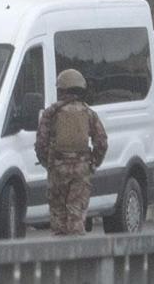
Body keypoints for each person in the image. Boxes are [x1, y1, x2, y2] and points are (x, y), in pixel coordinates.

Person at [35, 69, 108, 236]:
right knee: (76, 217)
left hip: (57, 169)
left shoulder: (51, 113)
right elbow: (101, 142)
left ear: (61, 90)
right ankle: (77, 257)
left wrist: (49, 163)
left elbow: (41, 143)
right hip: (81, 171)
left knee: (58, 218)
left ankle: (59, 258)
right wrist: (93, 163)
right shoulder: (89, 113)